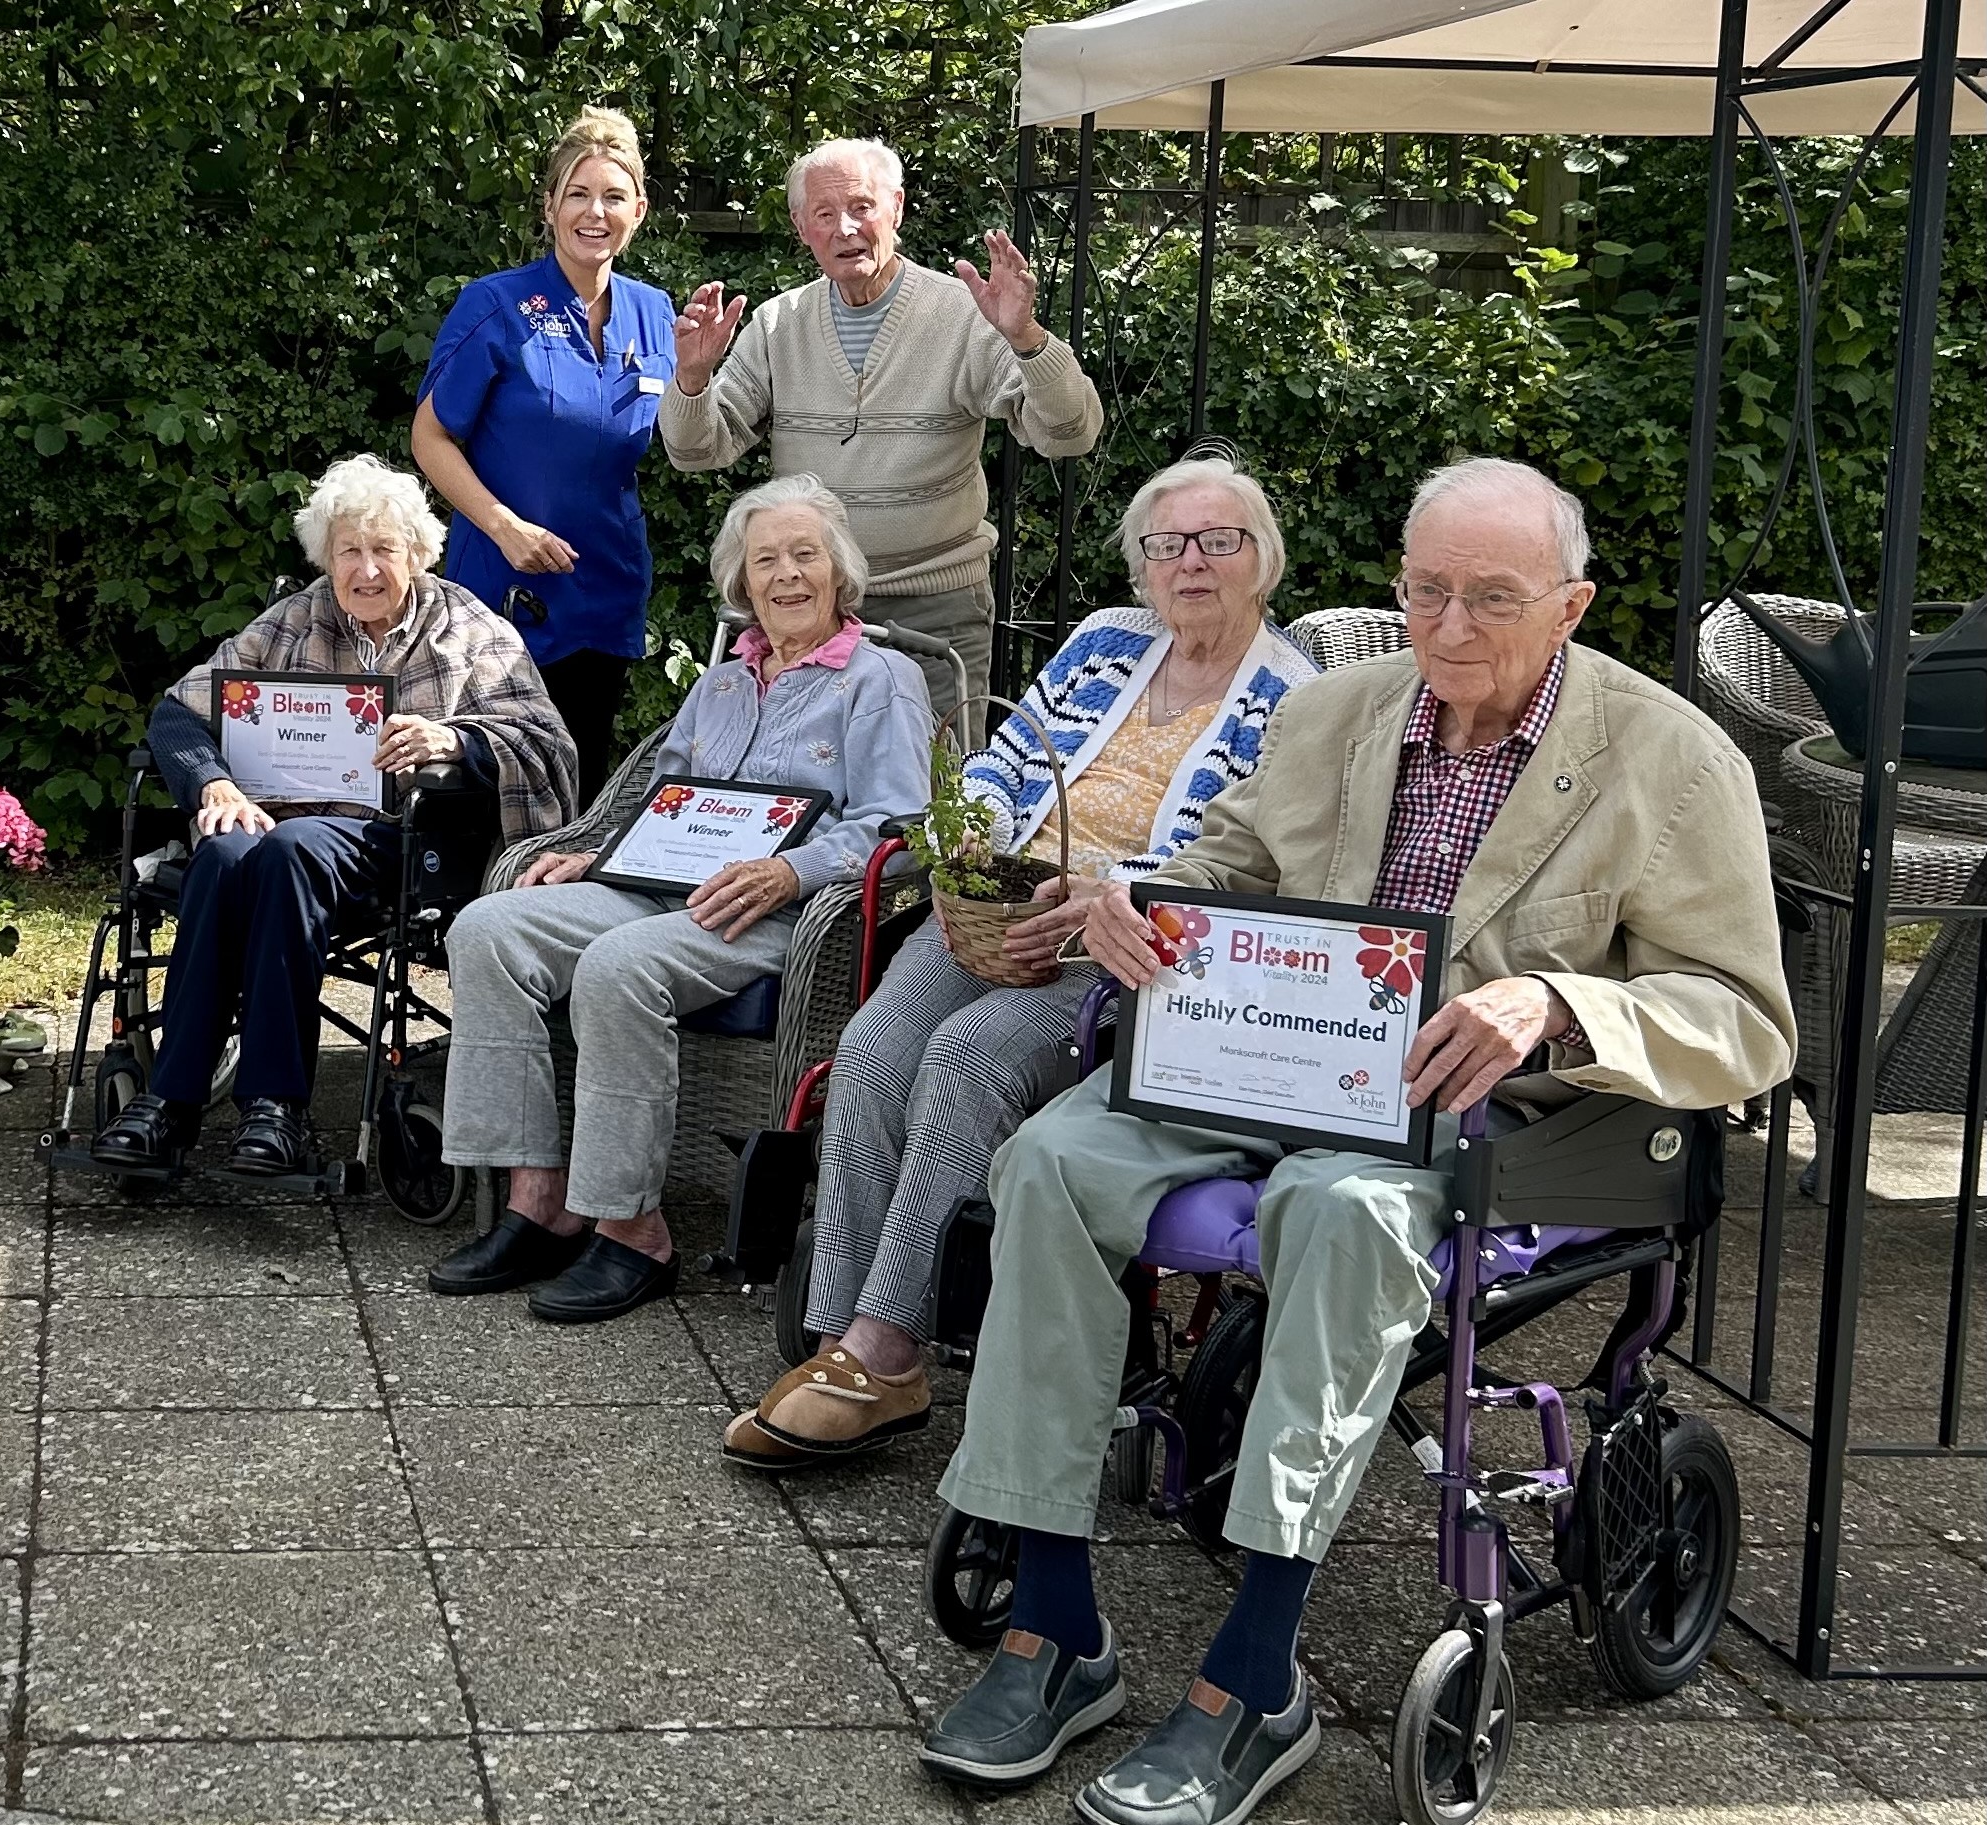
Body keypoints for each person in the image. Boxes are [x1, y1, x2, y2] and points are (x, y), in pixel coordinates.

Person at [917, 459, 1795, 1825]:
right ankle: (1054, 1624)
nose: (1446, 627)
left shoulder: (1674, 758)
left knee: (1336, 1214)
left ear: (1569, 606)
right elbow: (1228, 865)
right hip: (1264, 1052)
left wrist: (1558, 999)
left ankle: (1255, 1678)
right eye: (1424, 590)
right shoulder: (1336, 707)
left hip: (1473, 1106)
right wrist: (1140, 908)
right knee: (1048, 1162)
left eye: (1489, 599)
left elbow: (1744, 1015)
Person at [724, 454, 1316, 1470]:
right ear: (1139, 566)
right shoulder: (1102, 643)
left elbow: (1252, 855)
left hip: (1130, 954)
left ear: (1260, 560)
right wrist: (975, 848)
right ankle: (836, 1336)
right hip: (1000, 905)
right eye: (1165, 544)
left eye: (1218, 541)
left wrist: (1102, 893)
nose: (1190, 563)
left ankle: (888, 1349)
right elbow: (1002, 763)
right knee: (868, 1050)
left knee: (964, 1058)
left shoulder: (1295, 695)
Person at [429, 475, 933, 1323]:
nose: (785, 576)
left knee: (619, 968)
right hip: (658, 887)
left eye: (804, 555)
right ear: (741, 582)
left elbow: (898, 825)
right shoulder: (725, 680)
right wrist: (595, 852)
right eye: (764, 560)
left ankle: (632, 1230)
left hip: (772, 912)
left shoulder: (880, 680)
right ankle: (539, 1198)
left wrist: (792, 871)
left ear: (838, 571)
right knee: (486, 929)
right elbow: (658, 797)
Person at [92, 455, 579, 1177]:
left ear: (415, 551)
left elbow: (545, 741)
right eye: (349, 549)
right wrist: (213, 786)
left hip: (399, 840)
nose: (367, 568)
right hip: (278, 836)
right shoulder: (293, 619)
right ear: (328, 556)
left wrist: (455, 739)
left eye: (384, 548)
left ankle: (275, 1105)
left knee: (288, 847)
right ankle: (171, 1101)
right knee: (223, 852)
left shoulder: (467, 626)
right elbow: (177, 711)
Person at [660, 138, 1102, 729]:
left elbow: (1071, 431)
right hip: (808, 605)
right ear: (801, 226)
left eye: (862, 208)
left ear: (896, 207)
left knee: (938, 795)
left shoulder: (966, 314)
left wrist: (1027, 339)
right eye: (824, 214)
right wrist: (692, 378)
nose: (846, 228)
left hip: (934, 612)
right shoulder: (777, 324)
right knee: (804, 783)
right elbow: (696, 451)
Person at [411, 106, 679, 804]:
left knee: (578, 782)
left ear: (639, 210)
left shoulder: (656, 312)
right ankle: (471, 915)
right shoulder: (495, 304)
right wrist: (503, 526)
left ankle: (553, 913)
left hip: (605, 586)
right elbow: (429, 437)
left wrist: (702, 373)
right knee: (485, 779)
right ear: (550, 206)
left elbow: (683, 432)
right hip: (502, 591)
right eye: (578, 194)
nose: (595, 212)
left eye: (613, 197)